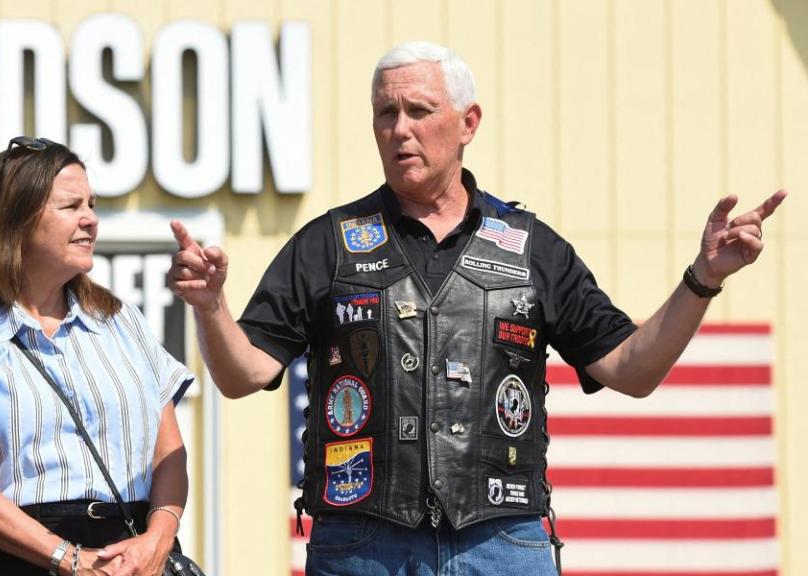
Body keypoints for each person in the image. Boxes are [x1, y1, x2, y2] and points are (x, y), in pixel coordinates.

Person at [168, 42, 787, 576]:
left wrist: (702, 279)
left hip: (503, 542)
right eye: (385, 113)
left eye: (419, 110)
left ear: (468, 122)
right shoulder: (327, 243)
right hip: (361, 543)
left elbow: (632, 369)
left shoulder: (531, 249)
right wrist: (211, 305)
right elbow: (242, 374)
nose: (399, 128)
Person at [0, 137, 193, 576]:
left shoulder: (122, 322)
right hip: (18, 556)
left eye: (91, 204)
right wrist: (71, 559)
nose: (91, 220)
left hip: (135, 557)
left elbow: (170, 452)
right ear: (16, 219)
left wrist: (157, 540)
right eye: (71, 206)